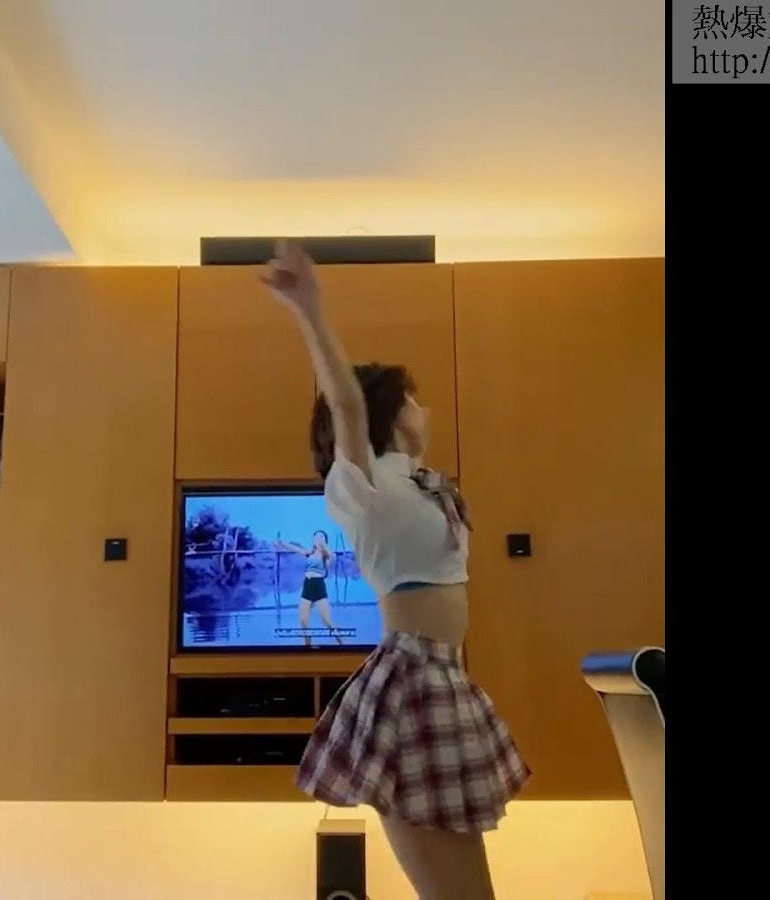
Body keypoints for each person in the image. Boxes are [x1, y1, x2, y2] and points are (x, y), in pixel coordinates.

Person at [260, 241, 529, 899]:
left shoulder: (415, 483)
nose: (424, 407)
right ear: (391, 412)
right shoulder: (366, 484)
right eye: (413, 397)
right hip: (413, 684)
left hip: (442, 678)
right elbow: (345, 405)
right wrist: (309, 310)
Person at [274, 530, 345, 646]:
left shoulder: (327, 555)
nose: (318, 538)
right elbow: (296, 549)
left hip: (319, 586)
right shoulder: (310, 553)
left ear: (325, 540)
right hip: (307, 585)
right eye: (316, 537)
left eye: (321, 537)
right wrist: (282, 543)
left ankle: (342, 643)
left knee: (327, 621)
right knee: (303, 620)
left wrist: (323, 546)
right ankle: (308, 645)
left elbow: (329, 561)